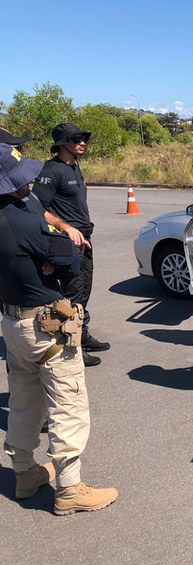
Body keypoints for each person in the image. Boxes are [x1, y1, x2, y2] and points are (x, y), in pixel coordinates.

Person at [0, 143, 118, 515]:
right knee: (67, 403)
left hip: (11, 322)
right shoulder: (21, 220)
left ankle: (25, 473)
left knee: (23, 399)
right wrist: (58, 252)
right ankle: (69, 488)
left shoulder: (15, 212)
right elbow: (68, 258)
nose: (28, 183)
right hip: (44, 324)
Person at [33, 123, 108, 367]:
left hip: (84, 240)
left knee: (83, 292)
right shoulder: (51, 170)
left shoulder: (74, 166)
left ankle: (82, 336)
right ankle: (70, 349)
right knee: (71, 296)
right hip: (66, 242)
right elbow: (38, 210)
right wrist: (65, 230)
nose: (82, 142)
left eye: (84, 138)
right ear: (62, 143)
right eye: (77, 139)